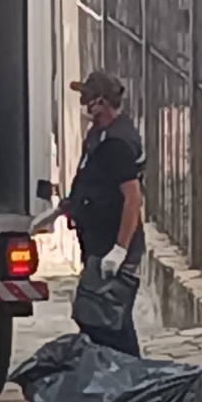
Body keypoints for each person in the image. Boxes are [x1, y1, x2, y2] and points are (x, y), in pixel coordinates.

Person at [64, 70, 145, 357]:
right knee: (96, 320)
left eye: (88, 98)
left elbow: (132, 199)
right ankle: (108, 378)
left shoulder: (118, 143)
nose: (84, 105)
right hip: (97, 241)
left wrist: (119, 251)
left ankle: (132, 380)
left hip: (112, 245)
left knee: (111, 321)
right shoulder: (98, 135)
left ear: (102, 101)